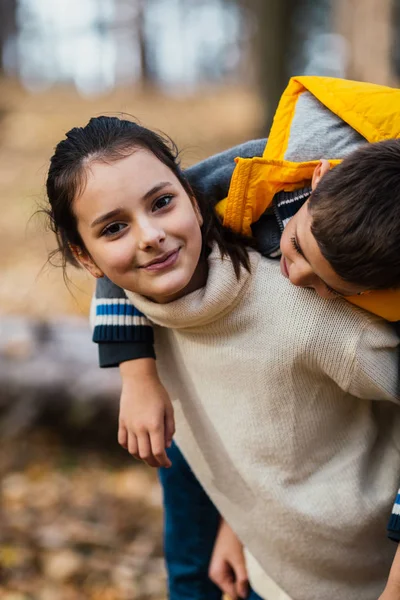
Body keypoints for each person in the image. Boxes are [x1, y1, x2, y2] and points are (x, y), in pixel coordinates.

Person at [45, 115, 400, 600]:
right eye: (113, 228)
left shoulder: (315, 311)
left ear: (194, 198)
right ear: (86, 258)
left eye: (162, 202)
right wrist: (241, 526)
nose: (148, 235)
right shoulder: (138, 314)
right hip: (266, 574)